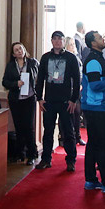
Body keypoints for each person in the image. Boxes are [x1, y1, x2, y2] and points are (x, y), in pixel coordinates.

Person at [81, 30, 105, 195]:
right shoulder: (92, 61)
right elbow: (95, 85)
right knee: (102, 145)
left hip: (97, 106)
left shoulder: (98, 58)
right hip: (96, 107)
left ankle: (90, 180)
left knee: (93, 144)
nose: (102, 39)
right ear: (92, 43)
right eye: (99, 38)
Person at [37, 30, 80, 172]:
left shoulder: (71, 58)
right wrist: (39, 98)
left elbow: (77, 79)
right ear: (51, 41)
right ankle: (46, 159)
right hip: (49, 101)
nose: (57, 41)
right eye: (54, 39)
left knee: (68, 132)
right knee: (48, 131)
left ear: (63, 41)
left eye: (60, 39)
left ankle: (71, 160)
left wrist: (73, 100)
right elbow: (40, 79)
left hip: (66, 102)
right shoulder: (45, 58)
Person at [3, 42, 40, 164]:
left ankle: (31, 154)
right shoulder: (10, 66)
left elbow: (38, 78)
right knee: (18, 127)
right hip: (15, 100)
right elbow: (5, 82)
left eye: (21, 48)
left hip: (29, 98)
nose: (19, 51)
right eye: (16, 50)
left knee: (28, 127)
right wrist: (15, 84)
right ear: (13, 54)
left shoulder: (32, 62)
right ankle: (19, 153)